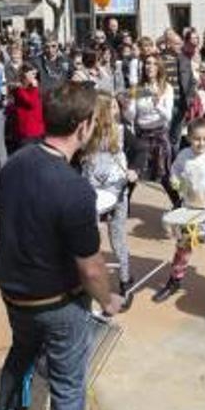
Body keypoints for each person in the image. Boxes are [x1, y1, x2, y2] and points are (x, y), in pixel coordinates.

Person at [0, 81, 122, 410]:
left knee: (21, 354)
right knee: (68, 389)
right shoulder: (74, 190)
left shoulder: (15, 162)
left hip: (14, 292)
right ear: (83, 127)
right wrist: (109, 300)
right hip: (56, 304)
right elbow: (91, 268)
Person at [153, 117, 205, 312]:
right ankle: (174, 282)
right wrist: (174, 179)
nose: (201, 143)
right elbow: (174, 170)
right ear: (189, 137)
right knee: (182, 250)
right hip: (190, 213)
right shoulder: (184, 155)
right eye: (197, 139)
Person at [81, 92, 136, 299]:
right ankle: (89, 280)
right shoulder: (85, 133)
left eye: (116, 107)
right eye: (111, 107)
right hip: (91, 194)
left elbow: (141, 149)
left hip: (117, 193)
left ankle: (124, 280)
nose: (116, 111)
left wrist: (135, 170)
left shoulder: (121, 131)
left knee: (117, 238)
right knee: (89, 239)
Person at [124, 53, 179, 207]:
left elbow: (168, 117)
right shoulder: (139, 88)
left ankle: (179, 205)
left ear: (160, 67)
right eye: (148, 63)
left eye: (154, 63)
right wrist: (128, 105)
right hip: (141, 135)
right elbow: (131, 116)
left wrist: (157, 102)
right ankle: (123, 207)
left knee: (165, 176)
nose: (150, 67)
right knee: (133, 172)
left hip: (159, 135)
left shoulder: (166, 88)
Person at [6, 62, 44, 153]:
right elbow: (31, 103)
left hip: (38, 130)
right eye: (32, 74)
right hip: (27, 131)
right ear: (24, 74)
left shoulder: (35, 88)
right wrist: (34, 88)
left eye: (35, 74)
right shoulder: (20, 89)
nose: (34, 77)